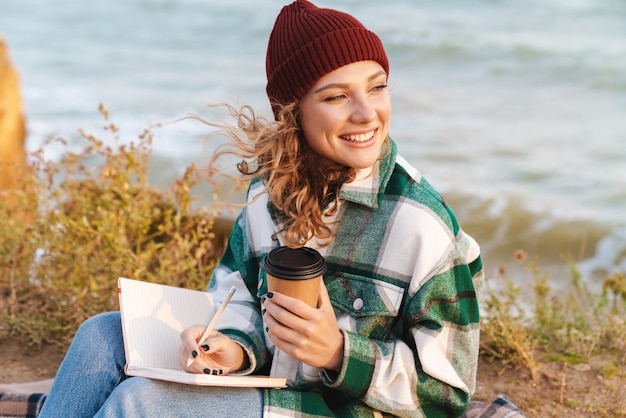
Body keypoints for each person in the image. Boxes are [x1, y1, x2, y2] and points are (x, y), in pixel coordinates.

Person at [39, 1, 483, 416]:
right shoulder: (267, 197)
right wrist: (229, 345)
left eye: (378, 87)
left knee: (142, 402)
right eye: (336, 97)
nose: (367, 113)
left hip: (342, 409)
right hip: (274, 387)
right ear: (293, 113)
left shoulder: (419, 223)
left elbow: (449, 395)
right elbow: (236, 296)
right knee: (100, 335)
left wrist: (338, 353)